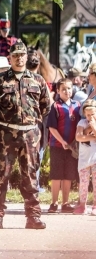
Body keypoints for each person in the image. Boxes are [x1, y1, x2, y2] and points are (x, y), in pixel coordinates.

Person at [0, 41, 52, 230]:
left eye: (22, 55)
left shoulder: (37, 80)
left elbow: (46, 106)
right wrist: (2, 121)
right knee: (1, 176)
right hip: (6, 134)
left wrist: (31, 121)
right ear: (10, 58)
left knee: (30, 175)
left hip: (30, 135)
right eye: (15, 55)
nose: (19, 58)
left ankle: (33, 217)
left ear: (26, 57)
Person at [46, 79, 81, 213]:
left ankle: (65, 203)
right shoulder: (55, 106)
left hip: (72, 147)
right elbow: (52, 127)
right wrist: (62, 141)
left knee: (68, 175)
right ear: (58, 91)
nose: (67, 91)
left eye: (69, 88)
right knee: (56, 175)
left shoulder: (77, 105)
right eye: (64, 89)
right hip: (57, 146)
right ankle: (54, 203)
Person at [74, 100, 96, 214]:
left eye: (93, 114)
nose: (90, 117)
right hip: (84, 159)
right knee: (83, 183)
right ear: (84, 114)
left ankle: (95, 206)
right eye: (88, 115)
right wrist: (92, 136)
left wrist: (93, 126)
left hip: (95, 158)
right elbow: (78, 137)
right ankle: (82, 205)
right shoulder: (81, 123)